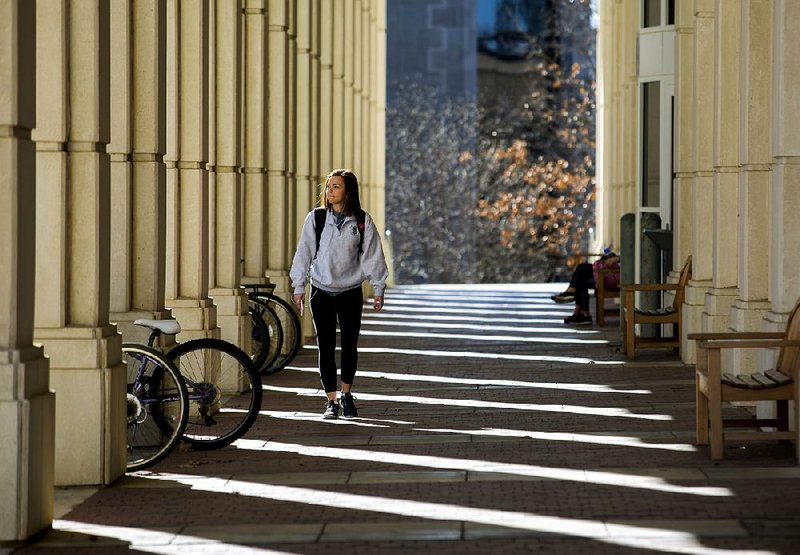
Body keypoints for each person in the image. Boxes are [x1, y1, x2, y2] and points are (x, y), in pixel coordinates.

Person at [289, 169, 389, 420]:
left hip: (350, 292)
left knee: (349, 346)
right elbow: (304, 252)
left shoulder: (362, 221)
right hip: (321, 291)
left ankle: (346, 394)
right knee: (325, 346)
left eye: (336, 187)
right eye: (328, 186)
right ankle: (330, 400)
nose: (329, 191)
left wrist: (378, 287)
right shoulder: (317, 219)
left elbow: (373, 255)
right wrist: (298, 286)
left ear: (348, 191)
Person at [551, 250, 620, 325]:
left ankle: (579, 310)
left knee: (581, 269)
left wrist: (615, 259)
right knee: (581, 279)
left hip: (612, 278)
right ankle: (582, 314)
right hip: (607, 275)